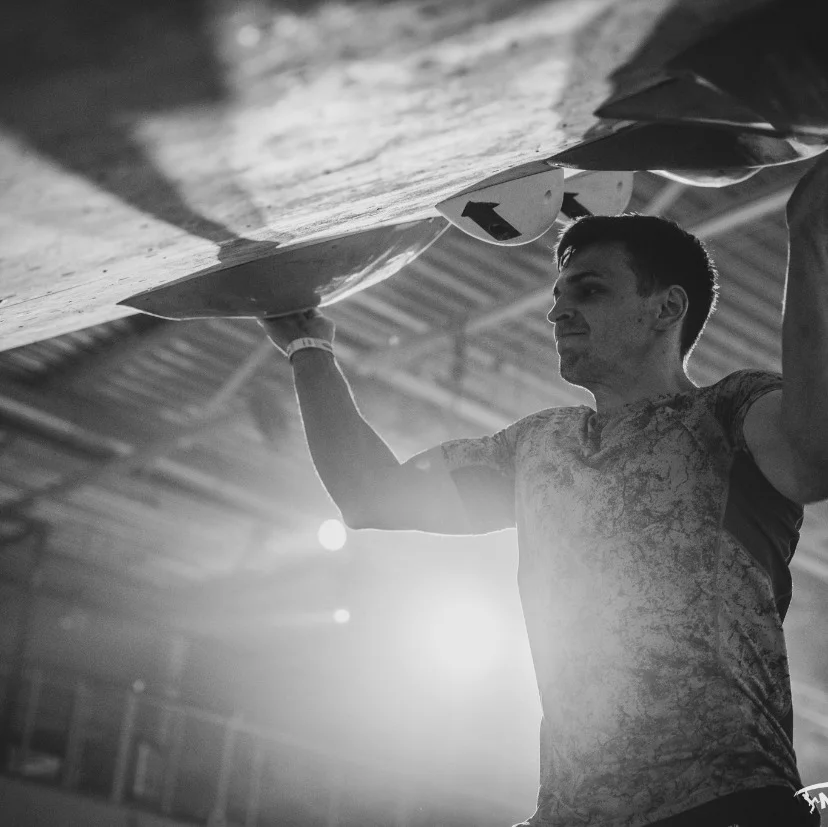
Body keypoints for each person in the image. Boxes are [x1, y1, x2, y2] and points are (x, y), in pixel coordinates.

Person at [259, 156, 828, 827]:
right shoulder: (539, 446)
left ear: (666, 308)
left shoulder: (730, 412)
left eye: (588, 290)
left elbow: (813, 456)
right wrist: (307, 345)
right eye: (558, 296)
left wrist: (809, 235)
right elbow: (369, 494)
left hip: (727, 803)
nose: (557, 312)